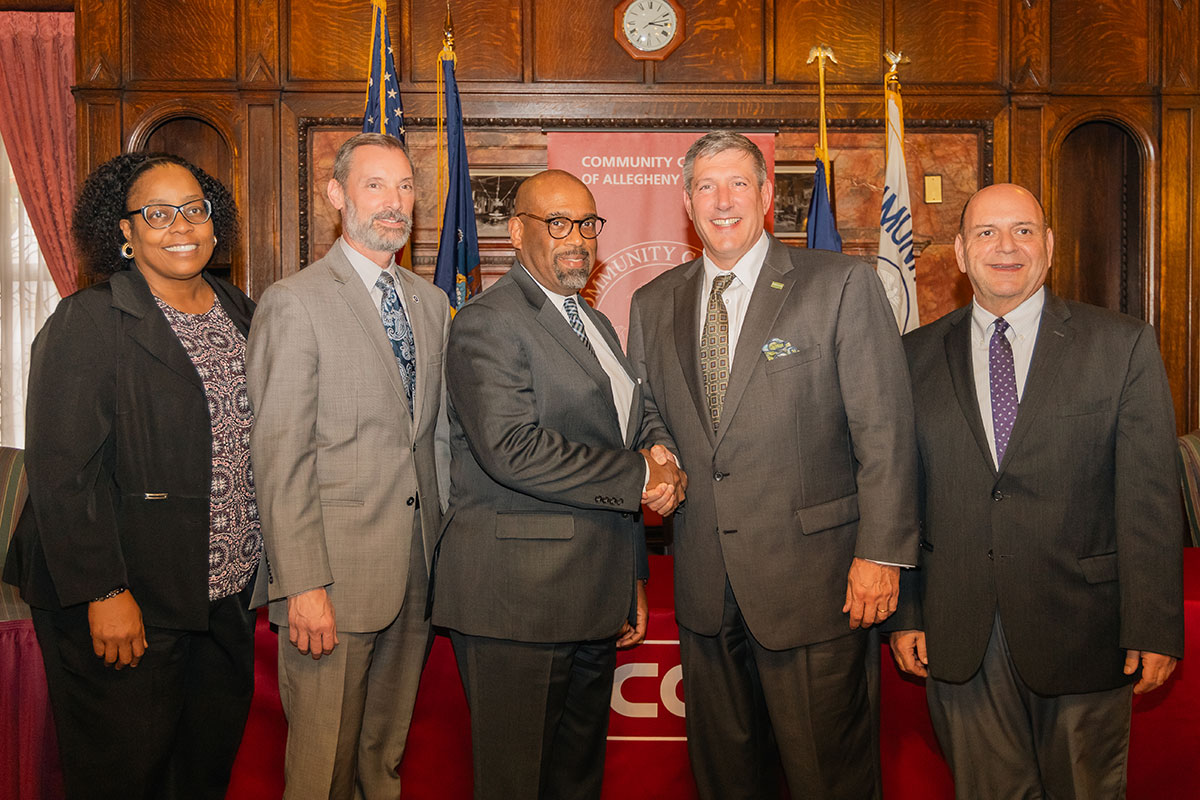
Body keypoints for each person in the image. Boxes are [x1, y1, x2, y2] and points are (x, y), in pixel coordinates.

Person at [625, 131, 919, 800]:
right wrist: (657, 448)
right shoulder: (653, 302)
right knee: (726, 780)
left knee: (829, 778)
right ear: (685, 201)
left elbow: (886, 429)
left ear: (765, 197)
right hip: (704, 585)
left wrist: (883, 553)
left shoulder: (839, 284)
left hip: (816, 586)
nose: (722, 200)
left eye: (737, 184)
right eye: (706, 186)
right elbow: (648, 410)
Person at [888, 183, 1183, 798]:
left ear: (1048, 247)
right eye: (986, 233)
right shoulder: (911, 357)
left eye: (1023, 231)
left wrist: (1155, 625)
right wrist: (908, 611)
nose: (1006, 247)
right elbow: (901, 497)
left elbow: (1149, 498)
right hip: (959, 630)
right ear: (962, 255)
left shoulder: (1122, 345)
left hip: (1084, 627)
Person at [3, 151, 258, 798]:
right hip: (127, 597)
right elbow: (63, 472)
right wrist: (103, 591)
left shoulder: (242, 311)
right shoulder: (88, 321)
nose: (181, 227)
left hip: (224, 589)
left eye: (194, 210)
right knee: (126, 775)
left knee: (204, 769)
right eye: (158, 214)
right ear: (124, 232)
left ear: (214, 221)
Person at [431, 169, 685, 800]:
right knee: (516, 783)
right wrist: (639, 477)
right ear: (517, 233)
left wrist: (659, 453)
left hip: (593, 597)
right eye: (559, 224)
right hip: (517, 603)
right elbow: (512, 450)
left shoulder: (591, 321)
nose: (578, 240)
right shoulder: (489, 322)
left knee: (575, 782)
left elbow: (630, 411)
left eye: (588, 225)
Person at [246, 132, 451, 799]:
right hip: (330, 584)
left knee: (381, 761)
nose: (395, 204)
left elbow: (434, 439)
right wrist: (300, 584)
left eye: (405, 187)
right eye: (375, 186)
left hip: (414, 574)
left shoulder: (427, 303)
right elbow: (280, 456)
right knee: (321, 770)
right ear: (337, 196)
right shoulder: (295, 302)